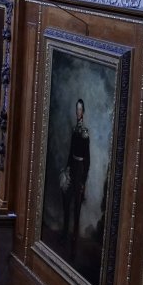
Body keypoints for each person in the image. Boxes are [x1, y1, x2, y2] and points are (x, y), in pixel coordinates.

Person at [61, 98, 90, 253]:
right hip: (72, 167)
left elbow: (88, 159)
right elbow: (70, 153)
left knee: (77, 209)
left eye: (80, 110)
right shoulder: (74, 130)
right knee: (66, 201)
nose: (78, 112)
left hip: (80, 169)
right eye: (77, 109)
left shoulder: (85, 133)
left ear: (83, 112)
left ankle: (73, 242)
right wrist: (66, 170)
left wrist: (83, 180)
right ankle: (64, 234)